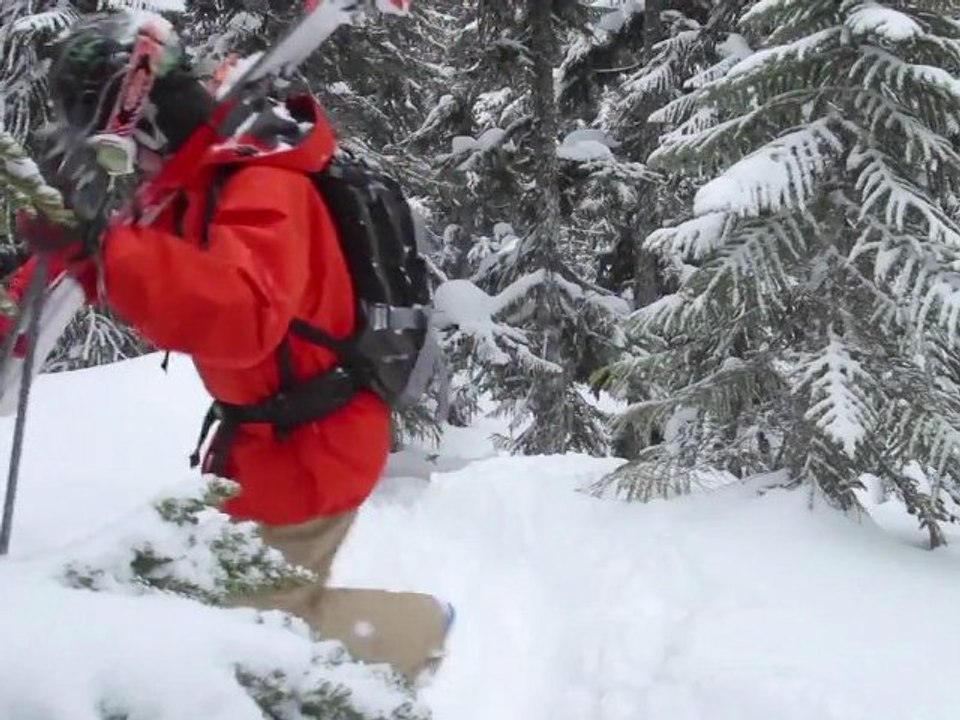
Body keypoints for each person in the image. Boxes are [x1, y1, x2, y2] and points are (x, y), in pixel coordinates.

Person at [9, 10, 453, 683]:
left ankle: (411, 633)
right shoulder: (197, 179)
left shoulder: (259, 181)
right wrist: (49, 263)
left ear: (142, 119)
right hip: (263, 449)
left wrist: (105, 246)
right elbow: (122, 258)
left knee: (243, 635)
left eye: (120, 143)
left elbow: (241, 314)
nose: (132, 166)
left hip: (313, 450)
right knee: (207, 597)